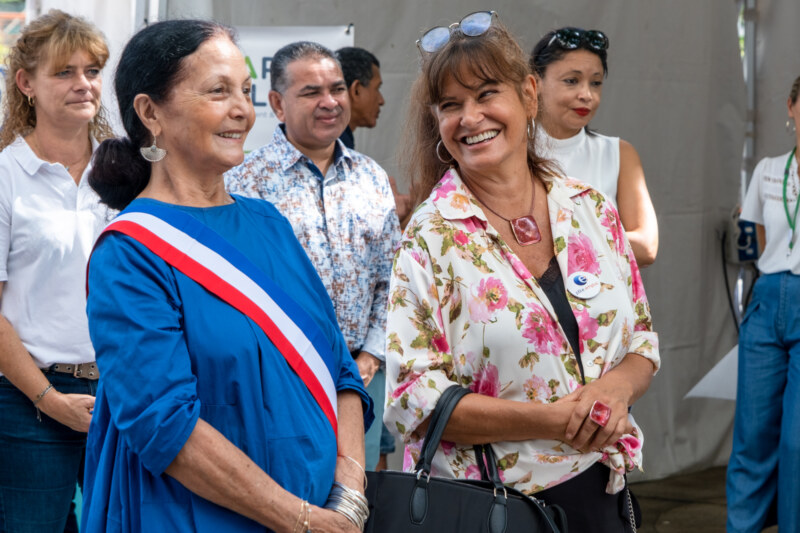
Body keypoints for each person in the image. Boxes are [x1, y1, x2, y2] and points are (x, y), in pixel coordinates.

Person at [82, 20, 372, 532]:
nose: (242, 109)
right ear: (150, 112)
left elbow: (339, 370)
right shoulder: (129, 254)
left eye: (245, 90)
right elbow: (164, 424)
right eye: (218, 91)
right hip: (190, 518)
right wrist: (298, 519)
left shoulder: (269, 224)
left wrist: (347, 495)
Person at [385, 11, 659, 532]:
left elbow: (642, 340)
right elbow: (412, 399)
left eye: (487, 93)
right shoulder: (432, 233)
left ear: (529, 95)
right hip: (491, 507)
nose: (470, 117)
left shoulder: (592, 209)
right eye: (450, 105)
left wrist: (616, 391)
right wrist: (553, 421)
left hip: (602, 489)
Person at [226, 41, 400, 472]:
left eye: (337, 89)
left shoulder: (371, 177)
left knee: (356, 498)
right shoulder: (243, 182)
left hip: (363, 376)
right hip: (281, 378)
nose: (329, 103)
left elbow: (392, 278)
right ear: (277, 104)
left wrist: (371, 357)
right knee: (290, 498)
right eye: (311, 93)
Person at [0, 10, 113, 532]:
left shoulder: (128, 171)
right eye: (64, 72)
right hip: (28, 400)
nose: (83, 84)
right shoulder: (6, 177)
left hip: (123, 390)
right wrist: (48, 399)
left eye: (91, 70)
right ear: (25, 84)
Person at [726, 74, 800, 533]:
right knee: (752, 436)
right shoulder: (769, 169)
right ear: (792, 108)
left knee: (796, 443)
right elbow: (752, 240)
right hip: (767, 297)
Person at [530, 27, 658, 267]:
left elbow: (647, 246)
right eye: (572, 81)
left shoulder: (618, 153)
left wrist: (556, 243)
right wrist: (604, 241)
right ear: (535, 84)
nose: (586, 94)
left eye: (596, 83)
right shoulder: (510, 150)